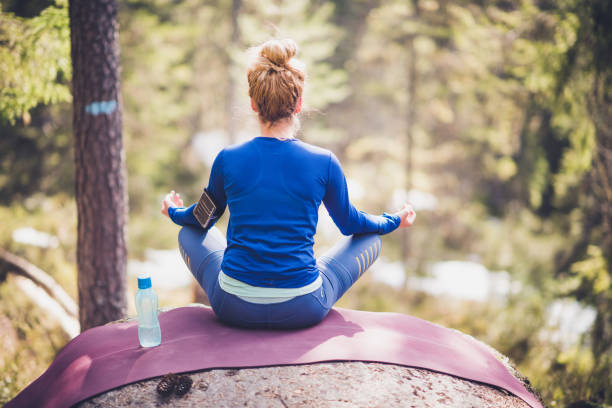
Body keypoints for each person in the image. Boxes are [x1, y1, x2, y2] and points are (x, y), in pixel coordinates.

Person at [161, 38, 416, 329]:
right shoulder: (325, 161)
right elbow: (351, 223)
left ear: (254, 104)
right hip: (303, 308)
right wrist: (393, 221)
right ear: (298, 105)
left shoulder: (228, 159)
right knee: (371, 237)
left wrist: (173, 212)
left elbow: (201, 219)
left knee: (188, 233)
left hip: (232, 307)